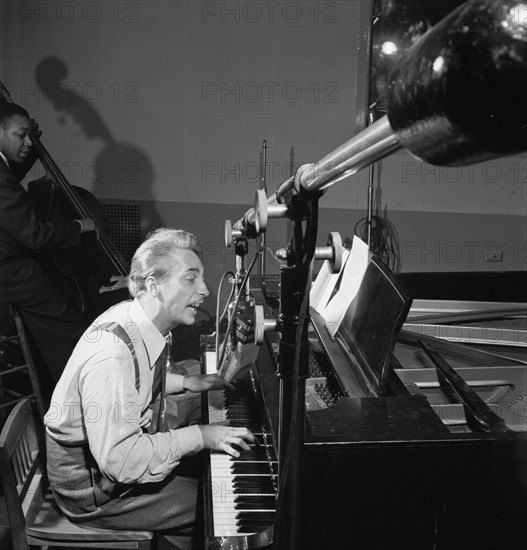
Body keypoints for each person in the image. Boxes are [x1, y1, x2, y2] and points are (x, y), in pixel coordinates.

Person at [44, 228, 256, 550]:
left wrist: (185, 382)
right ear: (154, 286)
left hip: (104, 468)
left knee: (206, 469)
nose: (204, 290)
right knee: (215, 504)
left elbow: (136, 381)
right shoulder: (111, 358)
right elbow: (121, 462)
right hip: (91, 492)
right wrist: (201, 434)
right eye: (190, 279)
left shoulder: (134, 317)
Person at [0, 102, 98, 400]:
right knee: (69, 325)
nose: (29, 142)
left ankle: (53, 388)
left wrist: (28, 144)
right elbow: (33, 235)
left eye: (30, 135)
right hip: (9, 269)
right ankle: (82, 397)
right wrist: (79, 226)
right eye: (21, 135)